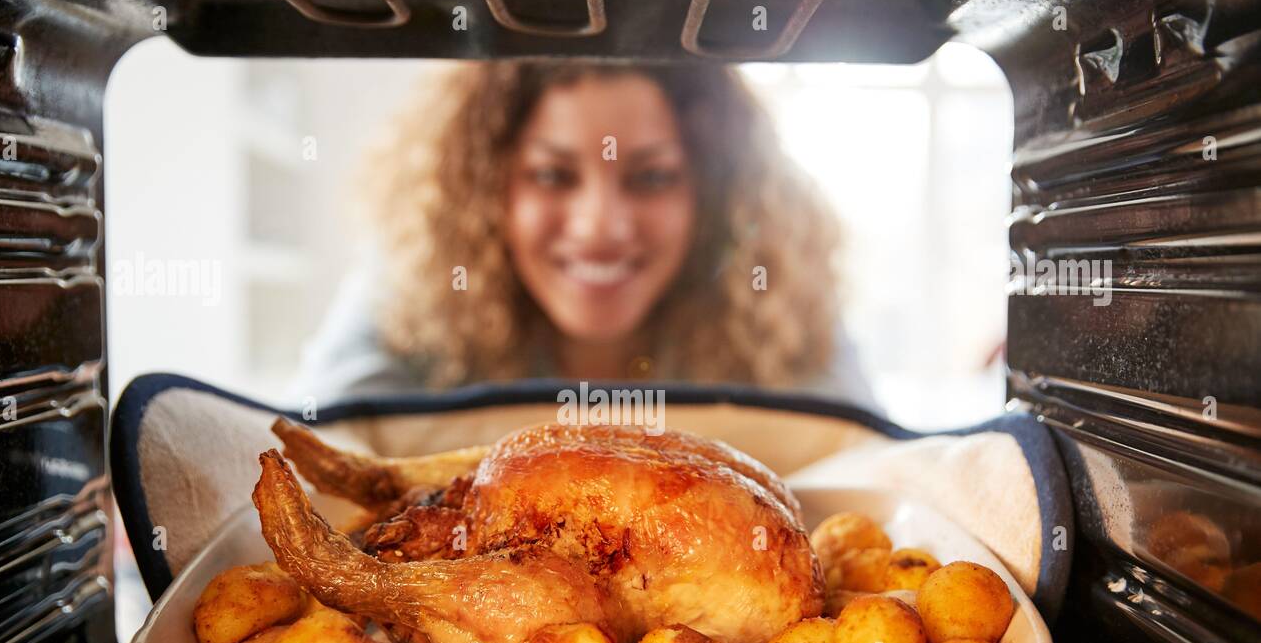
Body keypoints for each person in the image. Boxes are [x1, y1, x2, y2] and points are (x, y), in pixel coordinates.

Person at [298, 60, 872, 405]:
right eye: (552, 175)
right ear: (484, 188)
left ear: (714, 196)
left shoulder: (785, 312)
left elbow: (865, 465)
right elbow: (313, 456)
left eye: (651, 177)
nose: (600, 225)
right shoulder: (414, 298)